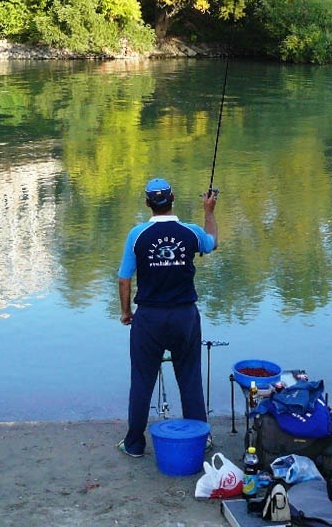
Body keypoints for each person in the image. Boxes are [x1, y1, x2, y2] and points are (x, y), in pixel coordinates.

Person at [117, 177, 219, 457]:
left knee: (141, 380)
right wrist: (209, 212)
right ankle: (200, 439)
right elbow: (212, 243)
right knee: (189, 377)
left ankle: (135, 444)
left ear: (148, 203)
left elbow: (124, 279)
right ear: (173, 199)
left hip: (148, 318)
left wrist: (127, 313)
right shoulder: (191, 232)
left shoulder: (137, 235)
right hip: (185, 316)